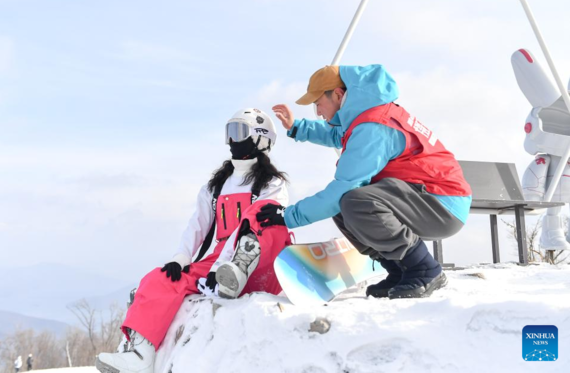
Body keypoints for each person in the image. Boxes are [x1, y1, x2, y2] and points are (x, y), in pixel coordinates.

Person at [96, 108, 291, 373]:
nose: (232, 141)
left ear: (260, 138)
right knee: (158, 279)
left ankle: (235, 271)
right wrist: (182, 257)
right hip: (220, 260)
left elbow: (269, 226)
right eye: (229, 133)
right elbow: (197, 225)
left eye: (239, 132)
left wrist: (227, 261)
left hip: (261, 261)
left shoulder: (271, 184)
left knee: (263, 213)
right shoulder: (217, 186)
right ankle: (141, 355)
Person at [260, 64, 472, 300]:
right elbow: (336, 135)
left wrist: (288, 216)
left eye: (318, 103)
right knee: (344, 206)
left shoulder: (373, 127)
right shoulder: (367, 115)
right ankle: (399, 269)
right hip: (427, 197)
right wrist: (297, 127)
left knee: (353, 201)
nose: (318, 112)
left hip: (441, 203)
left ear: (338, 95)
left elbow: (343, 188)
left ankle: (424, 268)